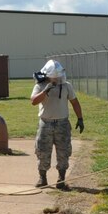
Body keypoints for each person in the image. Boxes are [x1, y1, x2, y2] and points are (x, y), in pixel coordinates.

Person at [30, 59, 84, 191]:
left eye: (59, 76)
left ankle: (61, 179)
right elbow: (33, 101)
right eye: (55, 77)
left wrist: (80, 118)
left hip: (62, 123)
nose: (58, 79)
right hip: (45, 123)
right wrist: (45, 91)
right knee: (42, 151)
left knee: (63, 151)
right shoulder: (40, 86)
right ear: (48, 76)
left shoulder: (67, 86)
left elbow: (75, 102)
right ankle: (43, 178)